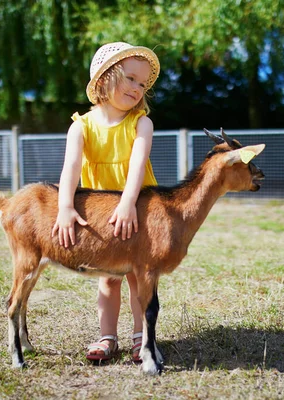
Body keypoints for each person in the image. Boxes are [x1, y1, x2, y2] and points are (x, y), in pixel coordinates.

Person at [51, 42, 160, 363]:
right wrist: (65, 207)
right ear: (103, 80)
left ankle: (143, 337)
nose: (138, 89)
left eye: (143, 84)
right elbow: (70, 167)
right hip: (102, 214)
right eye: (130, 79)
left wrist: (127, 204)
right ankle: (107, 336)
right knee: (108, 277)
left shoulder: (141, 123)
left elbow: (138, 167)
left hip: (139, 208)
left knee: (139, 276)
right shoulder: (80, 126)